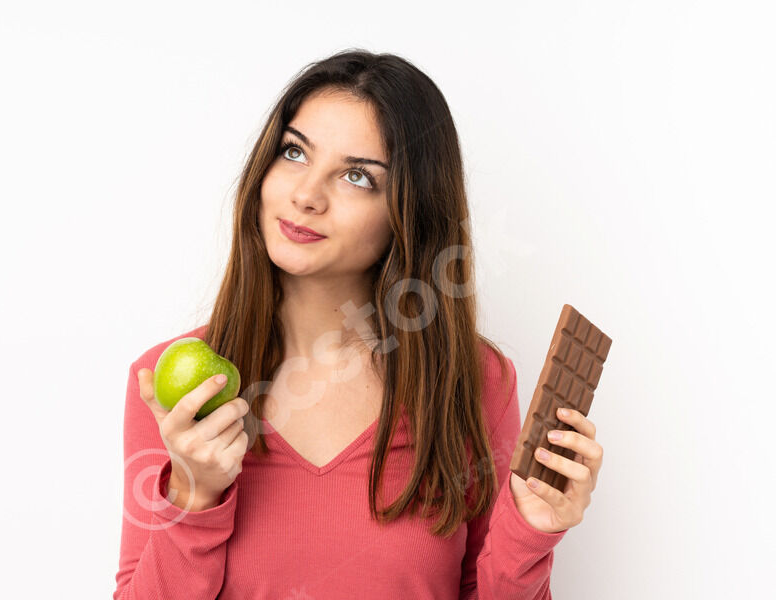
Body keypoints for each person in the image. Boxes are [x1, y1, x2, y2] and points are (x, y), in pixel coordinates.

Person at [113, 49, 604, 600]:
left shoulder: (475, 380)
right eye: (294, 152)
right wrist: (192, 494)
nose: (306, 195)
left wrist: (530, 532)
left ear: (409, 213)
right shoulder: (173, 386)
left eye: (356, 176)